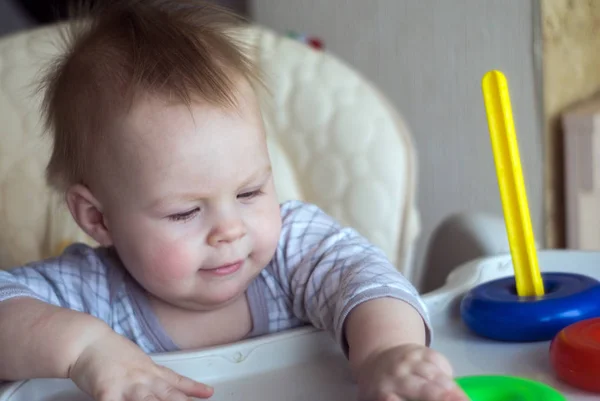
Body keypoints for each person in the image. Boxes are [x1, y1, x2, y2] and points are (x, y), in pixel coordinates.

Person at [0, 1, 467, 400]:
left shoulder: (293, 249)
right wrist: (85, 349)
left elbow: (366, 280)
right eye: (185, 211)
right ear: (97, 218)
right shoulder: (89, 294)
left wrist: (384, 351)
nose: (230, 229)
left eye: (249, 192)